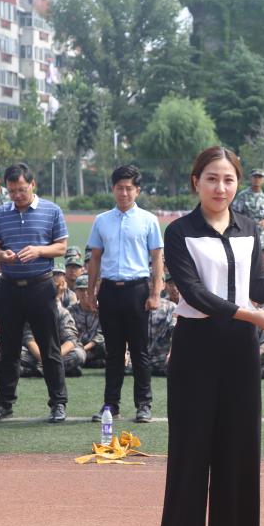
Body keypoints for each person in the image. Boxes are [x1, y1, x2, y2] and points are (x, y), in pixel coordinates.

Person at [157, 146, 264, 526]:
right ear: (196, 181)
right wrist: (248, 314)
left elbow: (258, 288)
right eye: (211, 178)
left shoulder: (249, 229)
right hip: (196, 347)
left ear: (238, 184)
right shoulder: (179, 232)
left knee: (236, 449)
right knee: (191, 449)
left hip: (240, 351)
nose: (220, 187)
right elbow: (193, 293)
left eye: (228, 179)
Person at [0, 162, 70, 424]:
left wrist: (39, 250)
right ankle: (3, 404)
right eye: (12, 191)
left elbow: (62, 247)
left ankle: (58, 403)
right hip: (9, 286)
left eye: (22, 189)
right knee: (9, 349)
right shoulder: (0, 213)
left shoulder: (52, 210)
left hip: (41, 286)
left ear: (33, 185)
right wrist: (3, 256)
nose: (17, 195)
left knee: (49, 347)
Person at [85, 164, 165, 424]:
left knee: (140, 351)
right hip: (109, 290)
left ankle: (144, 405)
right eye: (119, 188)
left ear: (137, 190)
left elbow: (157, 258)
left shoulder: (149, 220)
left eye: (129, 188)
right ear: (113, 189)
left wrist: (155, 292)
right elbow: (95, 258)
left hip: (137, 291)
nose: (124, 193)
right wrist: (91, 292)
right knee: (114, 353)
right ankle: (111, 406)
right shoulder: (101, 220)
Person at [69, 275, 106, 368]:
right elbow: (69, 334)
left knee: (107, 346)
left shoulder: (102, 309)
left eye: (87, 289)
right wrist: (80, 348)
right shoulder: (70, 311)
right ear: (76, 291)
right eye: (81, 290)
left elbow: (101, 335)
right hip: (77, 347)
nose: (85, 293)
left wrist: (84, 349)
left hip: (97, 346)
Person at [232, 167, 264, 248]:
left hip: (261, 236)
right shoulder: (242, 196)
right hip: (245, 234)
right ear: (250, 178)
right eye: (255, 177)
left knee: (262, 255)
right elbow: (234, 215)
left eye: (260, 177)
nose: (257, 179)